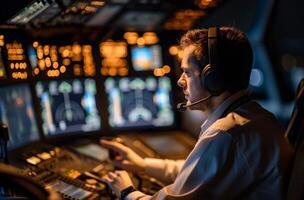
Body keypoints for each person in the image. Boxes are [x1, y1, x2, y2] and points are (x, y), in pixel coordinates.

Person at [100, 26, 293, 200]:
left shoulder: (226, 134)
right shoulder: (256, 116)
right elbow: (199, 173)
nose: (180, 81)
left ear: (213, 78)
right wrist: (142, 165)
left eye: (188, 72)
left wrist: (126, 191)